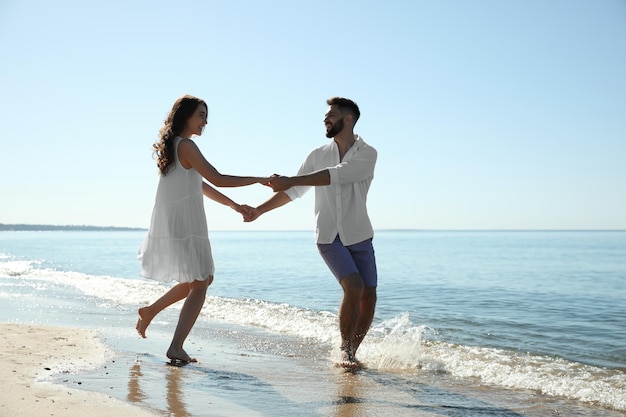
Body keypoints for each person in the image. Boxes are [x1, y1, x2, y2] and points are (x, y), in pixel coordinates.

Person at [246, 97, 378, 369]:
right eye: (326, 115)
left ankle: (354, 349)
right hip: (328, 236)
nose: (325, 119)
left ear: (348, 119)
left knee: (369, 295)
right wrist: (259, 210)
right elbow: (293, 193)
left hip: (359, 233)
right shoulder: (317, 154)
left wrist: (291, 179)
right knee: (353, 286)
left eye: (331, 115)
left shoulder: (368, 153)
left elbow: (337, 174)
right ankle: (345, 352)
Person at [136, 94, 268, 363]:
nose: (205, 121)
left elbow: (202, 185)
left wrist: (234, 206)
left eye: (207, 116)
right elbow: (218, 178)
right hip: (185, 222)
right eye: (200, 115)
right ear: (184, 115)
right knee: (202, 279)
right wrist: (259, 179)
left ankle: (150, 312)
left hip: (179, 220)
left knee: (200, 279)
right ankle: (175, 346)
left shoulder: (175, 146)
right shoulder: (185, 146)